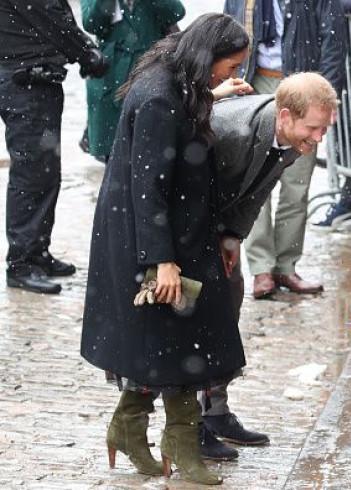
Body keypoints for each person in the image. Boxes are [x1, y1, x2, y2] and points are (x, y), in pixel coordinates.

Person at [80, 14, 250, 485]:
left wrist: (218, 234)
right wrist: (161, 260)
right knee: (170, 340)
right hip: (154, 237)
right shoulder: (158, 95)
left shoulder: (179, 82)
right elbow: (147, 186)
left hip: (184, 231)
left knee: (182, 338)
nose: (229, 74)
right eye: (228, 65)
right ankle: (151, 434)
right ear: (207, 56)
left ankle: (154, 434)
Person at [205, 72, 340, 460]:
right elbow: (191, 189)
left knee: (227, 309)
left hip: (217, 225)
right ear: (284, 116)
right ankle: (186, 426)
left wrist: (232, 236)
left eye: (324, 129)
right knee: (196, 324)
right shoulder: (232, 130)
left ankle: (215, 410)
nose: (318, 139)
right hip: (187, 226)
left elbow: (257, 191)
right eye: (313, 128)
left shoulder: (291, 137)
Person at [224, 0, 346, 299]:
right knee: (253, 178)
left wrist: (327, 97)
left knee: (298, 182)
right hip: (255, 81)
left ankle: (286, 265)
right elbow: (227, 33)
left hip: (304, 86)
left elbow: (333, 41)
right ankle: (261, 268)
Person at [0, 0, 108, 294]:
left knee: (45, 172)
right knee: (32, 173)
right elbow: (48, 14)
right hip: (24, 80)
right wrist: (87, 54)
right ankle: (21, 263)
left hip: (34, 77)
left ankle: (36, 251)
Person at [81, 0, 186, 163]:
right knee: (113, 157)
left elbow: (176, 12)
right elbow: (92, 24)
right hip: (111, 77)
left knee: (155, 149)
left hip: (152, 71)